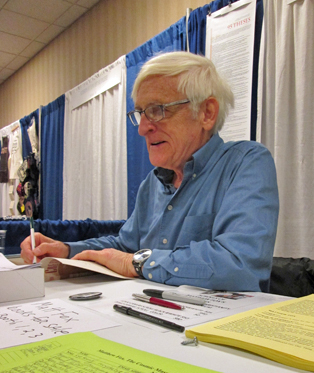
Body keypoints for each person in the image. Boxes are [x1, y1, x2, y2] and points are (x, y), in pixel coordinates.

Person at [21, 51, 279, 292]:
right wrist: (65, 250)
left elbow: (239, 264)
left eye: (157, 110)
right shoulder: (153, 182)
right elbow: (125, 247)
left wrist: (138, 263)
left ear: (206, 113)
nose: (143, 128)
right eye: (140, 113)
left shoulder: (245, 163)